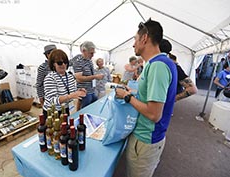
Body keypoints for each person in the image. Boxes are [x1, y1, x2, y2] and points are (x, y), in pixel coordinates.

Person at [115, 19, 178, 177]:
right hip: (144, 138)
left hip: (146, 139)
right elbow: (151, 97)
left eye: (135, 39)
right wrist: (136, 92)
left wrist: (127, 96)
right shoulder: (158, 63)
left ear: (144, 38)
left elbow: (154, 114)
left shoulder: (158, 66)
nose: (133, 44)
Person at [43, 49, 86, 118]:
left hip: (67, 109)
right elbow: (52, 101)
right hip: (53, 112)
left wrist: (79, 91)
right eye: (60, 63)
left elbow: (72, 92)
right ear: (53, 64)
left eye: (65, 62)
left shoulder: (70, 76)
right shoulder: (50, 78)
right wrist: (70, 96)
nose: (63, 64)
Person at [72, 41, 104, 109]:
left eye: (93, 53)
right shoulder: (78, 61)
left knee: (92, 107)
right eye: (91, 53)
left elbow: (90, 74)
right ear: (84, 51)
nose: (93, 55)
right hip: (84, 91)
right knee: (84, 110)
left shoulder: (89, 60)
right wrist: (95, 76)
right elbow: (79, 78)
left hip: (91, 90)